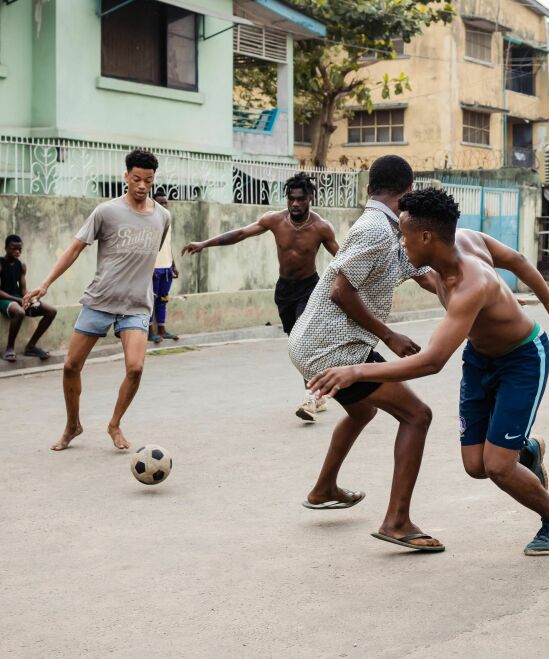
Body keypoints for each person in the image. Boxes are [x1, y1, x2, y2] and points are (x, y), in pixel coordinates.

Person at [308, 188, 549, 556]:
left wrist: (358, 371)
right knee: (475, 466)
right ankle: (525, 450)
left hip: (521, 359)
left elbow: (433, 361)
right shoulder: (456, 245)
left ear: (425, 237)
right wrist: (547, 298)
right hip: (480, 358)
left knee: (498, 466)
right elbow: (516, 259)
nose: (400, 243)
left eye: (403, 236)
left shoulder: (471, 284)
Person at [288, 155, 444, 552]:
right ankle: (397, 522)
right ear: (407, 190)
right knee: (417, 415)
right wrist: (388, 336)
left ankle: (324, 488)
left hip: (326, 345)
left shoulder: (390, 228)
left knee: (364, 409)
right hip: (330, 349)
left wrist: (471, 301)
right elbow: (342, 290)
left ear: (371, 187)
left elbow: (423, 274)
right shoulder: (376, 229)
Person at [23, 149, 170, 452]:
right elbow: (75, 249)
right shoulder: (106, 211)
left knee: (136, 368)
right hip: (100, 301)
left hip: (136, 306)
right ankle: (72, 425)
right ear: (126, 176)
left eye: (148, 181)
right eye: (137, 179)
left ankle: (114, 423)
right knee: (70, 366)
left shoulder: (163, 217)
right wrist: (45, 283)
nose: (142, 185)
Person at [181, 173, 339, 422]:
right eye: (291, 199)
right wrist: (205, 243)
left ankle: (311, 396)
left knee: (303, 340)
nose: (295, 204)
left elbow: (341, 258)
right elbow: (241, 233)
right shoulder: (275, 220)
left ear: (310, 199)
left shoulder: (321, 227)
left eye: (300, 199)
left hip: (310, 288)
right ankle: (318, 392)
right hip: (284, 291)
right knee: (295, 342)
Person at [0, 235, 57, 362]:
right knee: (19, 312)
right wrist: (19, 300)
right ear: (6, 248)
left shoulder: (21, 265)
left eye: (19, 249)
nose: (17, 252)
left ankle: (31, 347)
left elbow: (23, 290)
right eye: (14, 249)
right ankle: (9, 348)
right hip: (1, 300)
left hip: (18, 299)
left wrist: (29, 298)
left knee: (51, 311)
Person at [150, 194, 179, 342]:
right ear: (154, 203)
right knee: (150, 300)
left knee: (163, 299)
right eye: (161, 203)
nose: (164, 205)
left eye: (166, 203)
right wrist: (150, 267)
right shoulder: (150, 221)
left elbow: (167, 244)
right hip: (154, 269)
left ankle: (162, 329)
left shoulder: (168, 221)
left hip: (167, 268)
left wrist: (173, 265)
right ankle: (149, 331)